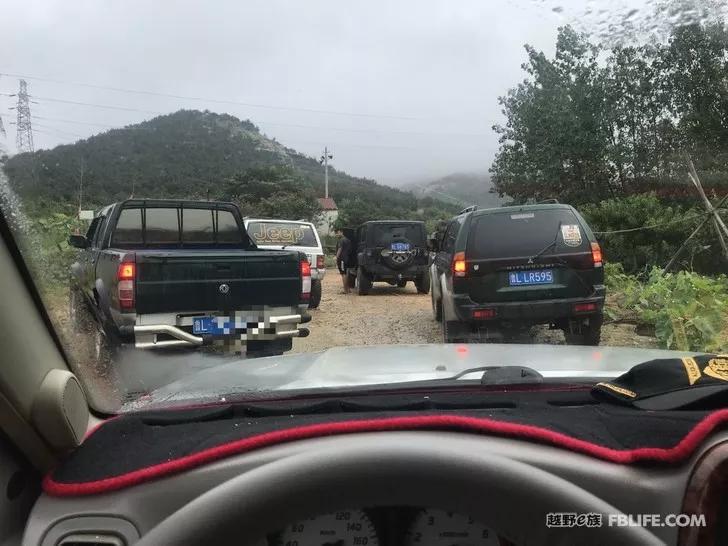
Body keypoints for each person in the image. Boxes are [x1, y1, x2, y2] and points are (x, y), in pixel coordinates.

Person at [335, 228, 352, 294]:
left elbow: (340, 249)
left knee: (343, 274)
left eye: (338, 232)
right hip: (346, 258)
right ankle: (348, 289)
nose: (337, 234)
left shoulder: (341, 240)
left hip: (342, 259)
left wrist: (336, 257)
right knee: (346, 273)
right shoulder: (348, 240)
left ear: (342, 232)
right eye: (336, 233)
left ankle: (345, 290)